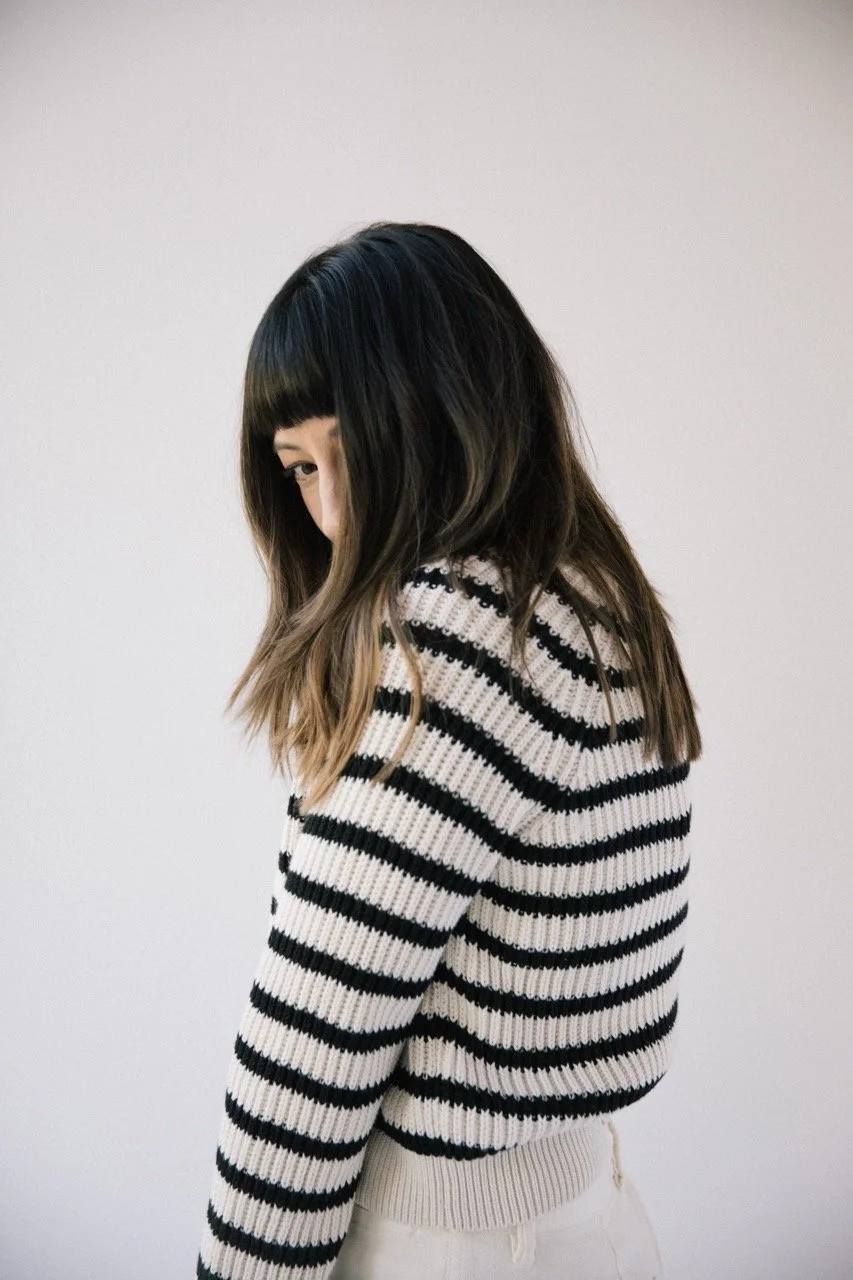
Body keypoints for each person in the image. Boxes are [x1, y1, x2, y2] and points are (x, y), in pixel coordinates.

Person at [195, 221, 701, 1280]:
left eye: (350, 452)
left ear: (441, 411)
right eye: (299, 469)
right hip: (585, 1213)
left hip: (451, 1243)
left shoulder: (457, 631)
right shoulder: (597, 601)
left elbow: (311, 1044)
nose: (329, 511)